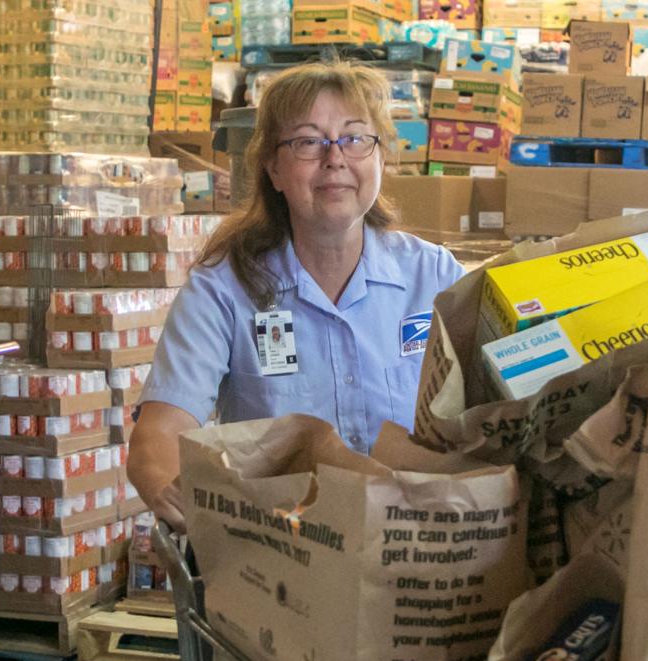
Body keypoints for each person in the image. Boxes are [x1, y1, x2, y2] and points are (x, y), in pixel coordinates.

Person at [129, 61, 464, 529]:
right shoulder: (224, 288)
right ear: (274, 169)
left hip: (412, 549)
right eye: (308, 141)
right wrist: (182, 499)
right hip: (280, 557)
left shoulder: (434, 276)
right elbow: (163, 428)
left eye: (354, 137)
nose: (335, 159)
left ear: (380, 158)